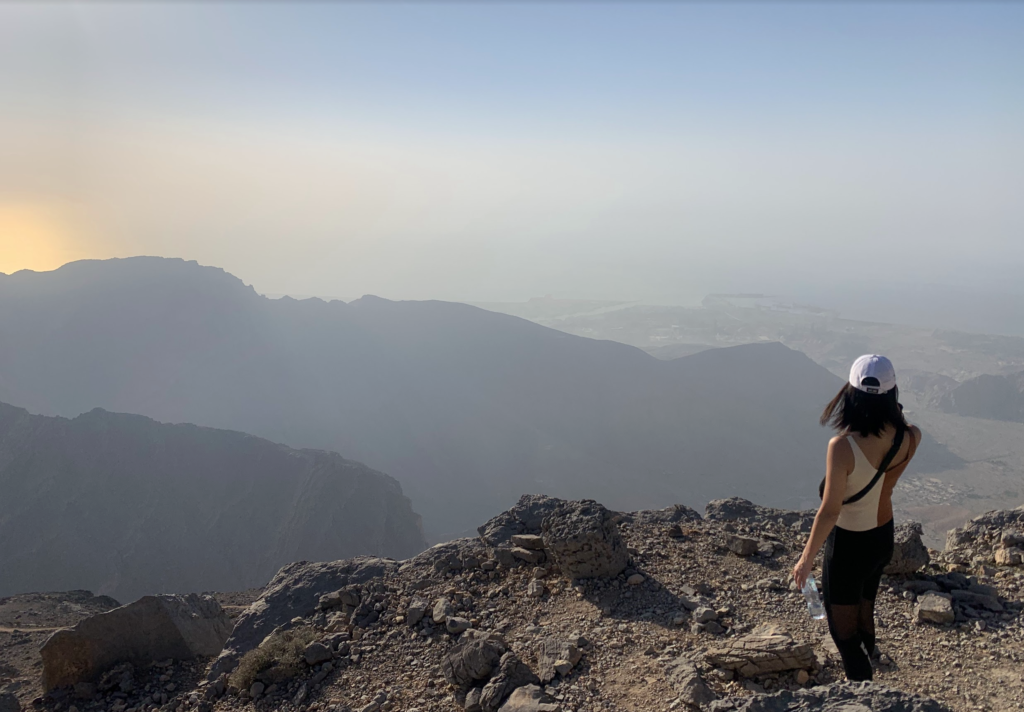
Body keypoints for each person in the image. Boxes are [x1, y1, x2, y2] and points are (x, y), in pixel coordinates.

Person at [792, 354, 920, 681]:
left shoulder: (843, 447)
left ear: (850, 393)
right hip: (882, 539)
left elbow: (830, 511)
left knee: (842, 632)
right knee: (865, 609)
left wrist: (806, 560)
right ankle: (867, 667)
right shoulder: (910, 438)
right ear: (893, 394)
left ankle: (863, 691)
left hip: (849, 544)